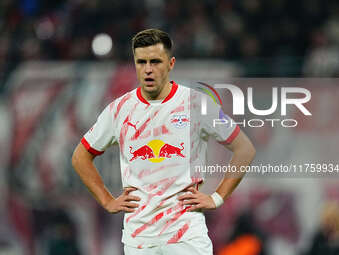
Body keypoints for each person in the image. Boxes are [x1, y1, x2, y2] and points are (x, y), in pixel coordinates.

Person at [71, 28, 256, 255]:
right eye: (141, 62)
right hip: (139, 239)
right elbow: (80, 156)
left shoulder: (196, 104)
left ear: (171, 64)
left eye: (156, 61)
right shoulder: (119, 109)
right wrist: (107, 200)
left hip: (186, 236)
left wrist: (217, 198)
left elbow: (244, 149)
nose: (148, 69)